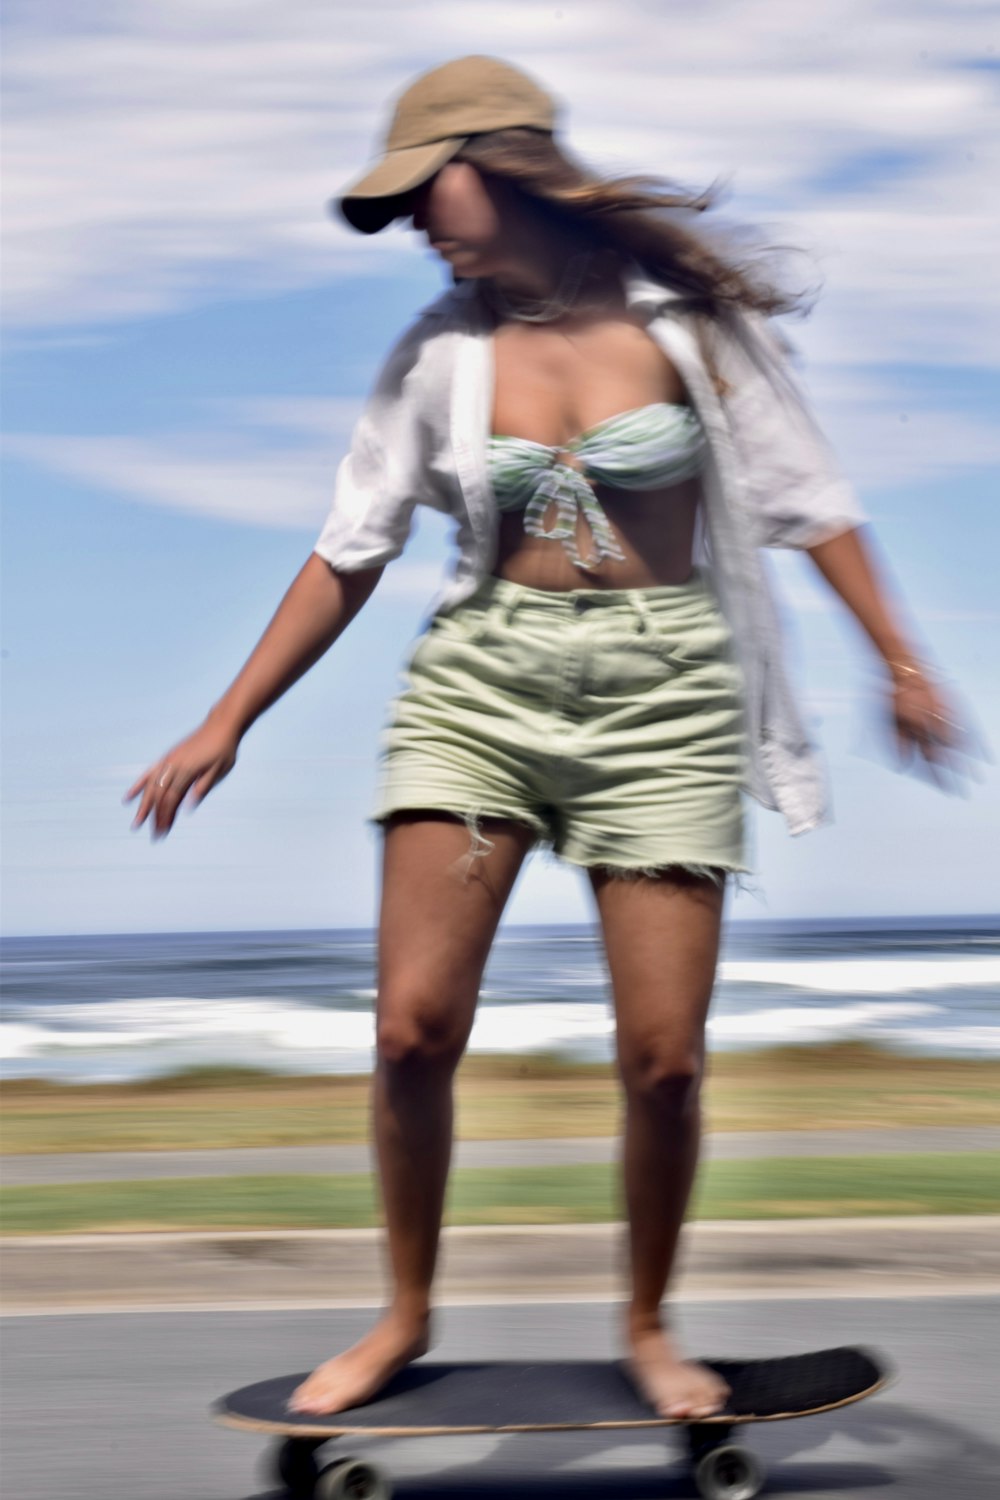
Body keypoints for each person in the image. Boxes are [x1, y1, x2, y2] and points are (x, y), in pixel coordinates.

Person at [124, 56, 974, 1422]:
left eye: (423, 186)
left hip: (666, 697)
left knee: (665, 1059)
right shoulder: (437, 356)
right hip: (484, 688)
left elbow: (813, 502)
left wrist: (901, 661)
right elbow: (348, 552)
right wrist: (227, 718)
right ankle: (402, 1315)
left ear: (500, 162)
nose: (411, 219)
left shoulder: (691, 331)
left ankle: (648, 1326)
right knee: (410, 1030)